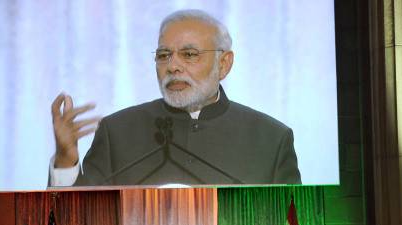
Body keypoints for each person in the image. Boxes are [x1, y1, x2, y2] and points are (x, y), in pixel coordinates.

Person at [49, 9, 301, 187]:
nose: (173, 66)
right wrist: (65, 160)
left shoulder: (271, 140)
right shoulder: (117, 132)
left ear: (223, 64)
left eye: (189, 54)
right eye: (163, 55)